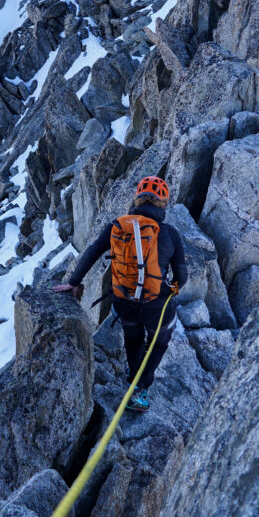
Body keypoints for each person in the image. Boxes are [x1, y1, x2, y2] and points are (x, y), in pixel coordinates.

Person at [54, 176, 186, 412]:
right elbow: (181, 277)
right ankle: (141, 389)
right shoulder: (170, 234)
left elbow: (92, 252)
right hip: (155, 304)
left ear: (137, 199)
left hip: (123, 300)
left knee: (133, 337)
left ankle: (133, 373)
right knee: (158, 341)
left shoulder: (117, 225)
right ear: (163, 203)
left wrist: (74, 282)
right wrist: (170, 289)